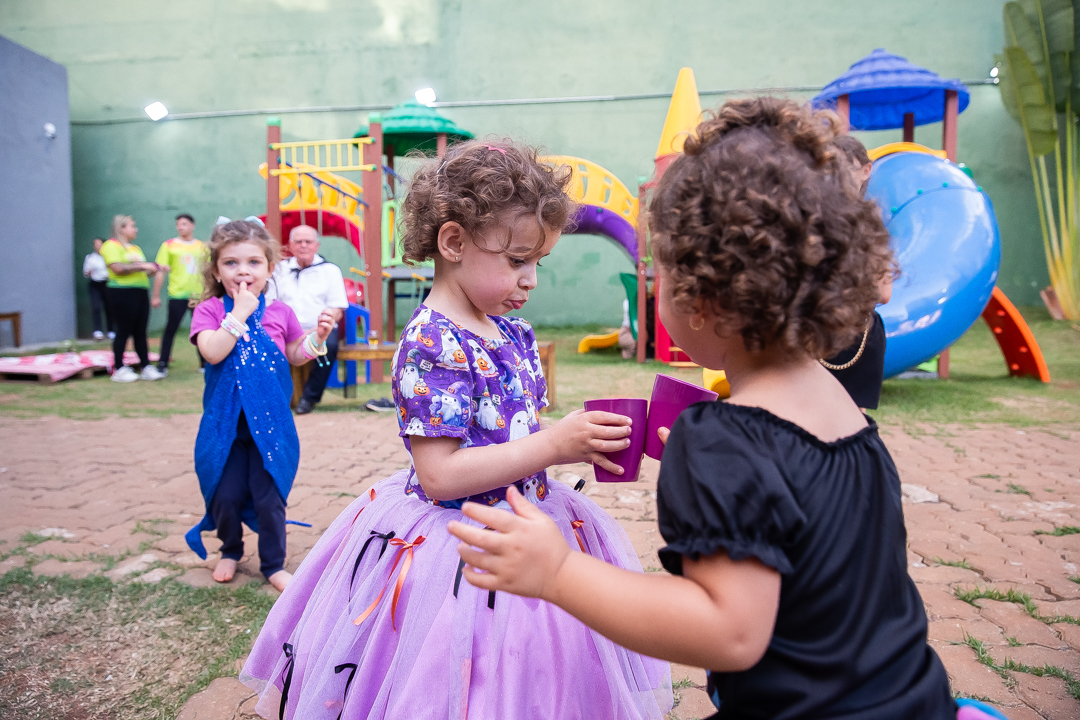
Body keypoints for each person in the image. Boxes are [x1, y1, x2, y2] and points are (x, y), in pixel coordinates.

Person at [447, 101, 957, 719]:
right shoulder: (844, 412)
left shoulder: (723, 441)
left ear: (702, 297)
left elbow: (730, 632)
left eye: (660, 273)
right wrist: (731, 481)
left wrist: (557, 572)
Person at [240, 140, 672, 720]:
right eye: (516, 260)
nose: (531, 280)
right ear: (453, 242)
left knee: (530, 672)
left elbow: (511, 432)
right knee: (461, 679)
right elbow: (440, 476)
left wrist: (576, 443)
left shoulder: (511, 331)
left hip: (527, 525)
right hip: (461, 546)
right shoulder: (432, 341)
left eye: (538, 263)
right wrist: (552, 444)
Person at [185, 219, 337, 593]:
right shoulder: (209, 311)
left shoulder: (280, 312)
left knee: (270, 499)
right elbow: (212, 351)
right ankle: (230, 550)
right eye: (231, 263)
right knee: (225, 495)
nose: (243, 271)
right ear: (216, 271)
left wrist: (318, 338)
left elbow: (295, 354)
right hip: (225, 428)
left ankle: (272, 563)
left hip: (270, 428)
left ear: (270, 269)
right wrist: (238, 313)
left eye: (253, 262)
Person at [821, 134, 892, 410]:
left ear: (866, 170)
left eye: (844, 166)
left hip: (856, 336)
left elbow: (884, 293)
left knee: (851, 421)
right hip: (818, 331)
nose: (835, 175)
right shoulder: (809, 219)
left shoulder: (872, 225)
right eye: (829, 166)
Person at [266, 225, 349, 414]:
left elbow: (337, 309)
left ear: (316, 245)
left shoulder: (330, 270)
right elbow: (270, 304)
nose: (303, 245)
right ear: (290, 245)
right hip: (285, 328)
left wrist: (315, 330)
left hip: (321, 327)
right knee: (268, 344)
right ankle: (275, 396)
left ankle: (309, 398)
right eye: (298, 242)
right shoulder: (278, 270)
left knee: (330, 346)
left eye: (308, 242)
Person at [100, 215, 166, 382]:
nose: (136, 229)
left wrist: (155, 268)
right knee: (123, 330)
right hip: (121, 292)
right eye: (132, 226)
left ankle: (146, 366)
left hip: (140, 291)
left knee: (140, 331)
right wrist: (143, 265)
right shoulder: (111, 245)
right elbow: (117, 268)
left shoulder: (135, 248)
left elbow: (141, 272)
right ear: (121, 228)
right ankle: (119, 368)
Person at [152, 213, 208, 375]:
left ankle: (205, 364)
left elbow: (209, 271)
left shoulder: (202, 247)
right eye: (178, 224)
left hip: (197, 295)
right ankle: (163, 363)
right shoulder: (169, 245)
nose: (180, 227)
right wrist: (155, 295)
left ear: (192, 226)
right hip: (177, 294)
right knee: (171, 328)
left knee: (201, 329)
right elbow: (160, 271)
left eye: (184, 224)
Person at [82, 237, 114, 340]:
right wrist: (89, 272)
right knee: (96, 307)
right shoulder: (90, 258)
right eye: (95, 244)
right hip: (95, 284)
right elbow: (86, 272)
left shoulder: (109, 257)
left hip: (107, 283)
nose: (97, 246)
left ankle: (111, 331)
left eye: (99, 244)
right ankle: (98, 331)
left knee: (109, 307)